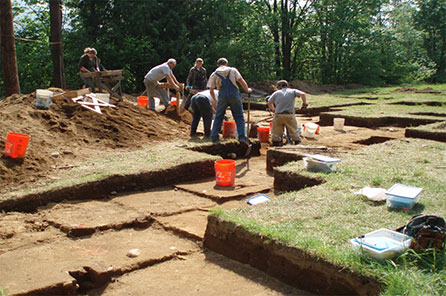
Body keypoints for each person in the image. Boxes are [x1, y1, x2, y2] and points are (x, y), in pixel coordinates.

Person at [208, 58, 252, 143]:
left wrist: (215, 100)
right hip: (234, 95)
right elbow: (241, 80)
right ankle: (242, 137)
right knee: (239, 116)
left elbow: (211, 90)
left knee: (218, 116)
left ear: (218, 65)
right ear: (226, 63)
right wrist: (247, 90)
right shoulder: (233, 70)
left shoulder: (214, 74)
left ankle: (214, 136)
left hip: (222, 96)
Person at [267, 80, 308, 146]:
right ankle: (297, 144)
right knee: (294, 131)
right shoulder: (293, 91)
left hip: (278, 115)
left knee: (276, 132)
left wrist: (273, 109)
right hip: (289, 115)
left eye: (278, 87)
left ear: (280, 86)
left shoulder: (276, 93)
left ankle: (276, 145)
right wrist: (304, 104)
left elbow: (269, 102)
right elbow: (303, 94)